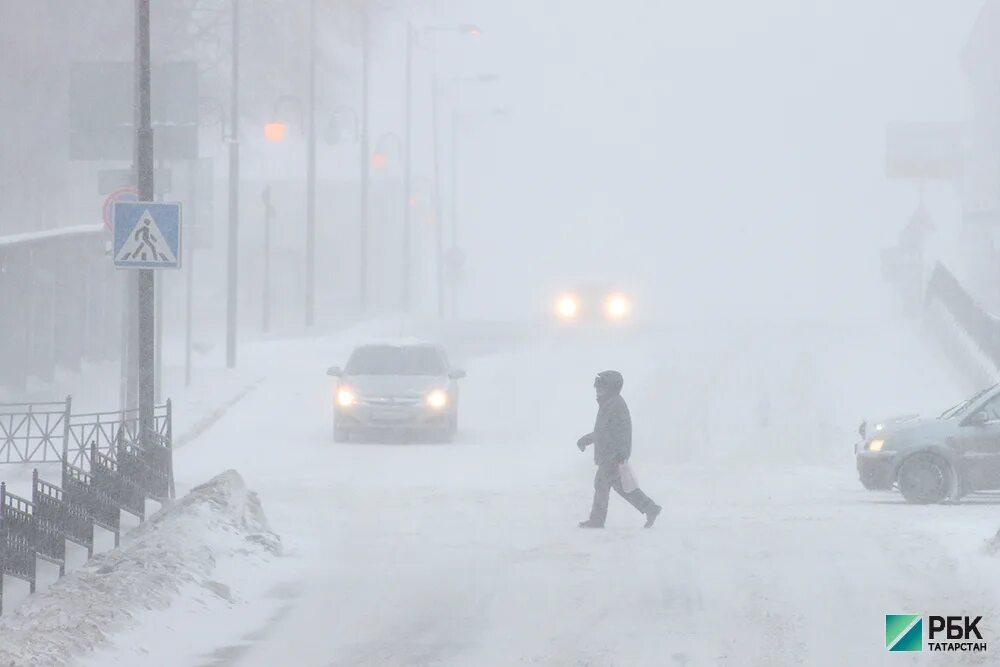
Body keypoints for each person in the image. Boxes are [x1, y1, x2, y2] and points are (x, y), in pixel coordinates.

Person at [577, 370, 661, 528]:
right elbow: (603, 432)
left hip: (612, 456)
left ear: (611, 390)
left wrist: (620, 454)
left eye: (600, 390)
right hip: (609, 455)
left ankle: (597, 520)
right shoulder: (609, 405)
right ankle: (650, 508)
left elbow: (622, 432)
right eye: (597, 390)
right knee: (622, 488)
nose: (597, 393)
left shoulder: (616, 406)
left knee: (602, 484)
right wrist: (587, 440)